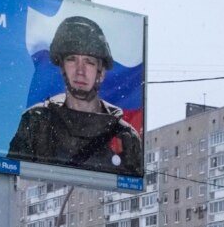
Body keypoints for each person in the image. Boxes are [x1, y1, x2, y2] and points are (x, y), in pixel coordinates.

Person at [8, 16, 142, 175]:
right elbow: (13, 179)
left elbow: (131, 186)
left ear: (101, 72)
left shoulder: (125, 136)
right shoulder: (36, 123)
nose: (80, 71)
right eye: (72, 60)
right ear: (62, 67)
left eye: (89, 62)